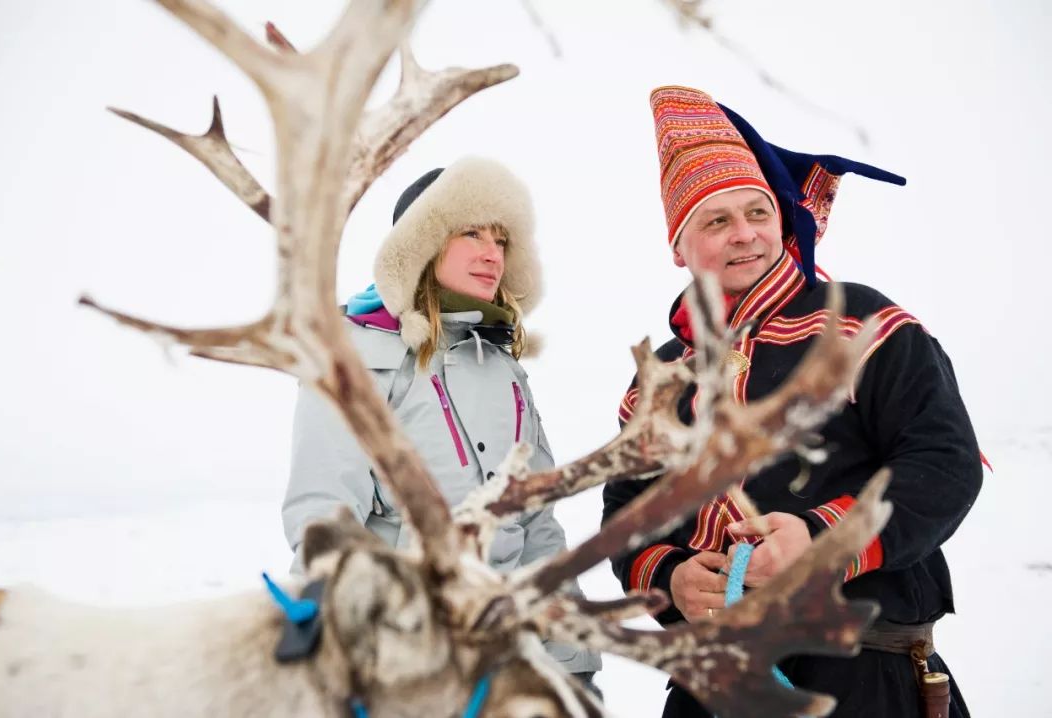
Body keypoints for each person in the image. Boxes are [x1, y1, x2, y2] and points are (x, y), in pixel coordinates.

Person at [603, 86, 983, 717]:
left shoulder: (864, 323)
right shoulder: (659, 379)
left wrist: (817, 538)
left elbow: (944, 462)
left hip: (866, 675)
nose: (744, 234)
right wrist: (671, 574)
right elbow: (628, 515)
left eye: (757, 212)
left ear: (781, 219)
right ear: (679, 247)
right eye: (716, 221)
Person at [283, 156, 602, 680]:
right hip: (408, 656)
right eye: (471, 233)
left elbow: (537, 523)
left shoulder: (505, 370)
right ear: (423, 244)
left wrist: (573, 662)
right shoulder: (356, 360)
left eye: (501, 240)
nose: (491, 253)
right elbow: (325, 516)